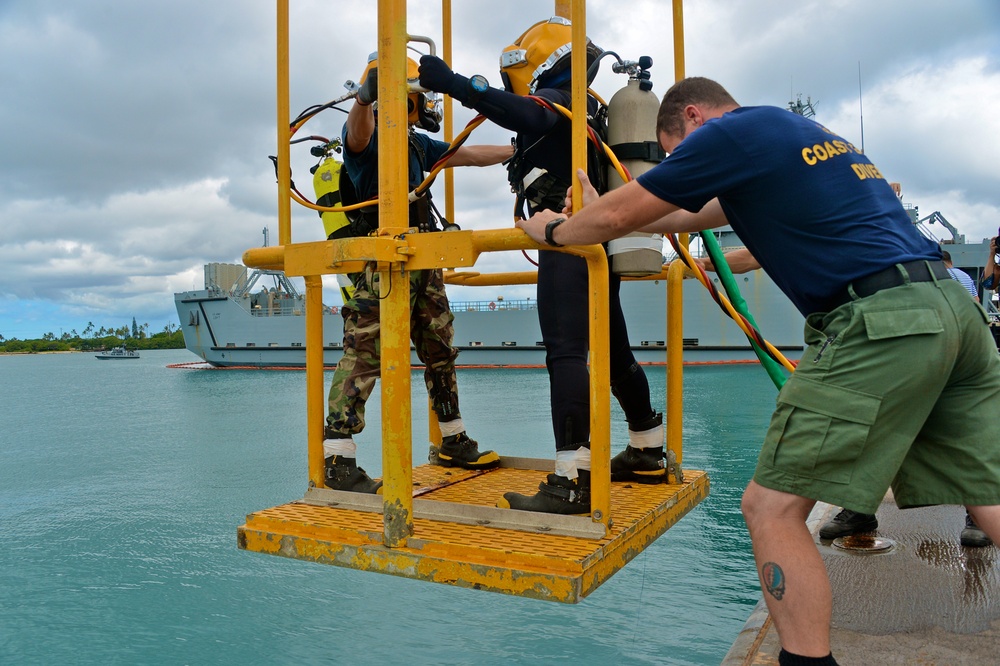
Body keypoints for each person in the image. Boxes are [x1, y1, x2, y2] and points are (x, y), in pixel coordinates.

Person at [516, 76, 1000, 664]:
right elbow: (676, 214)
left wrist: (555, 231)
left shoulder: (734, 131)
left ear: (693, 117)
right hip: (956, 314)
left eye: (676, 153)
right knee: (987, 490)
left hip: (880, 320)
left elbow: (625, 217)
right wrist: (605, 204)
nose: (681, 163)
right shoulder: (800, 137)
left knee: (769, 509)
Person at [418, 17, 665, 515]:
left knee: (566, 353)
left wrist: (455, 85)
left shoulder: (559, 102)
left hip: (566, 239)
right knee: (614, 350)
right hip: (596, 245)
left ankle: (571, 480)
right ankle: (647, 446)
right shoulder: (591, 107)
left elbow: (528, 116)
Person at [322, 53, 514, 493]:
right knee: (364, 353)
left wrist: (515, 150)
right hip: (384, 261)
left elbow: (464, 154)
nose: (425, 105)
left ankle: (453, 440)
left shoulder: (413, 144)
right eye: (418, 97)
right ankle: (338, 461)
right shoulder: (369, 140)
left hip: (423, 258)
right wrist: (365, 99)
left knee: (440, 350)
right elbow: (357, 134)